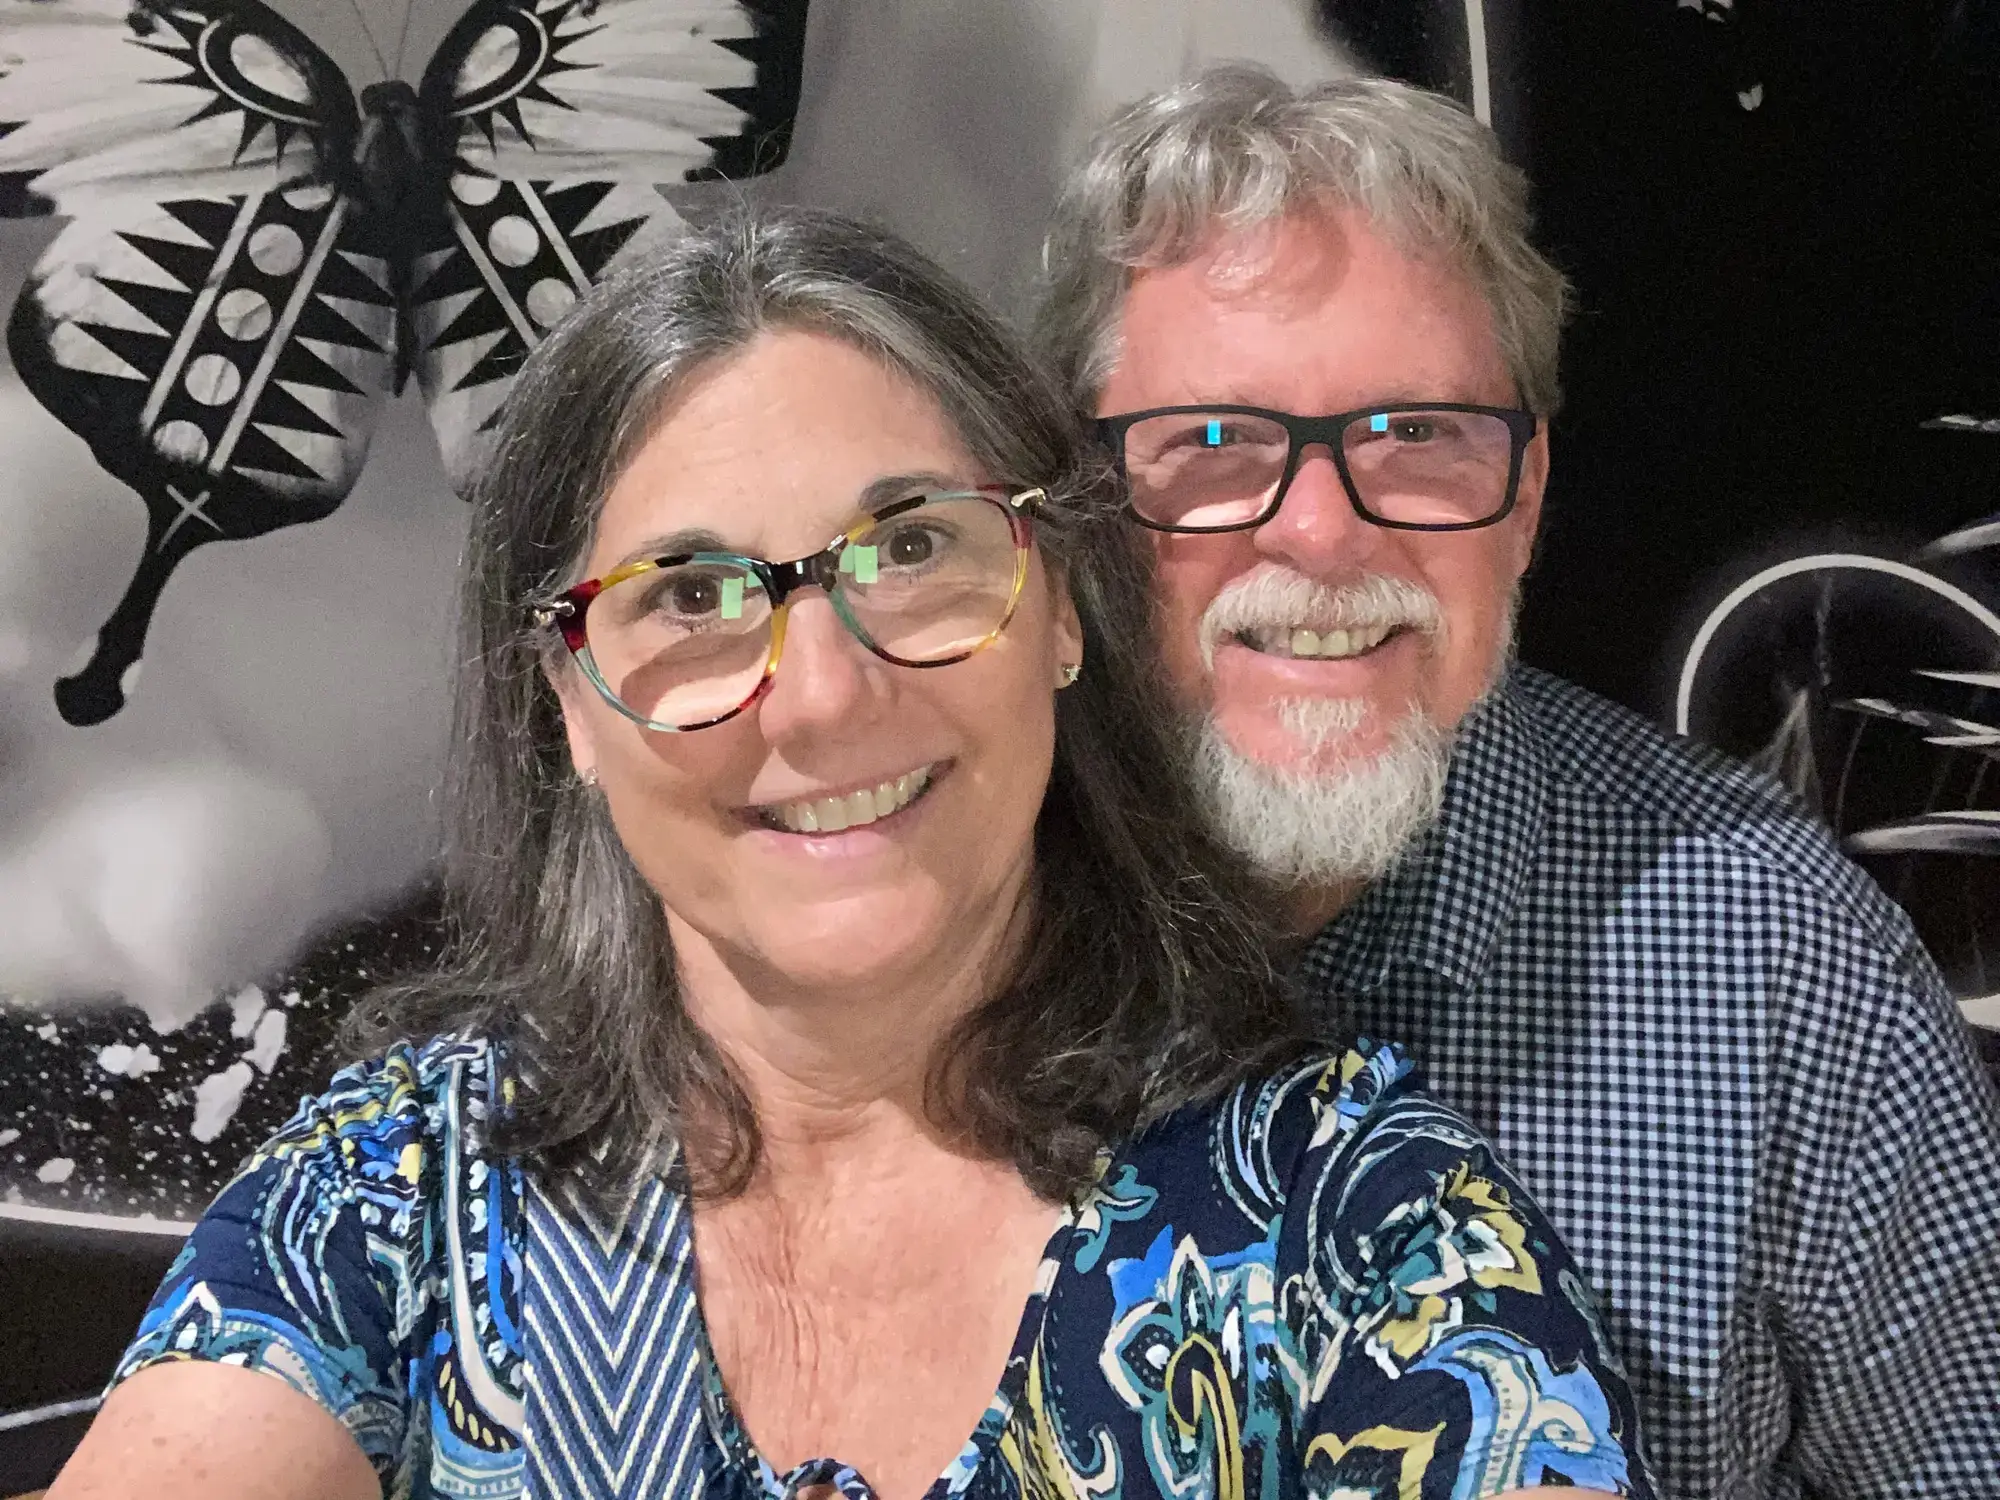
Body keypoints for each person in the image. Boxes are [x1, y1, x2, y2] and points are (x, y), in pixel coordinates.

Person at [46, 209, 1649, 1500]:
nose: (824, 695)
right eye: (687, 595)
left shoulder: (1352, 1229)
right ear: (573, 714)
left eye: (916, 550)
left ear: (1063, 612)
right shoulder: (410, 1192)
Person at [1034, 63, 2000, 1499]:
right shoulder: (942, 908)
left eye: (1417, 434)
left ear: (1529, 499)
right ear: (1088, 504)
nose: (1319, 533)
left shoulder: (1783, 964)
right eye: (1217, 446)